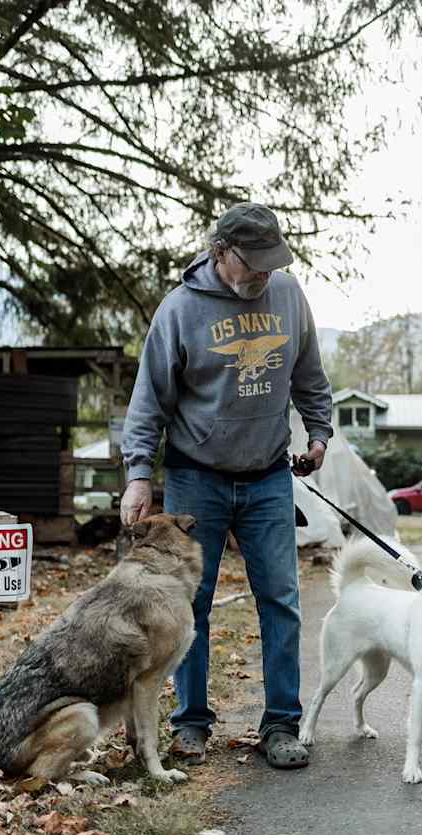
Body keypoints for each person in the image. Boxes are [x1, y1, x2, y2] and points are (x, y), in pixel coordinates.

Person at [119, 202, 333, 771]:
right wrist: (139, 474)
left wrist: (318, 435)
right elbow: (149, 401)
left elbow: (308, 373)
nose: (263, 273)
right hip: (196, 480)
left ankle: (281, 724)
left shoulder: (288, 296)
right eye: (253, 263)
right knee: (192, 606)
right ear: (220, 252)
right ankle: (190, 724)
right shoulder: (180, 309)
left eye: (272, 262)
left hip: (268, 478)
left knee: (281, 602)